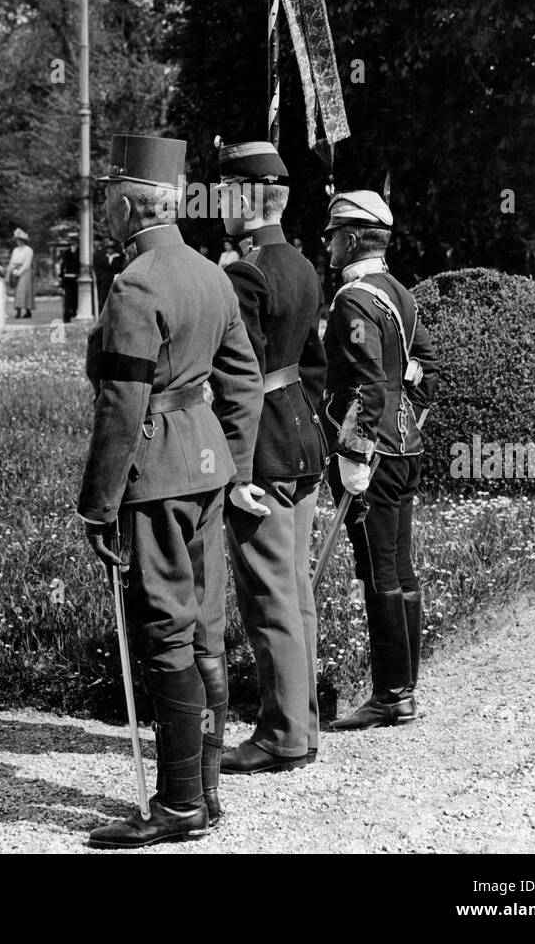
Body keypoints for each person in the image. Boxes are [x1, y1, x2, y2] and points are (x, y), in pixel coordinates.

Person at [79, 133, 262, 849]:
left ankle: (180, 804)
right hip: (208, 469)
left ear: (128, 204)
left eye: (107, 199)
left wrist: (97, 504)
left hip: (154, 478)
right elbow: (244, 381)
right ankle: (206, 792)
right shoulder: (214, 274)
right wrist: (234, 465)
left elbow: (121, 404)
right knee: (205, 630)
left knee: (164, 633)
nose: (103, 210)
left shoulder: (137, 283)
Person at [214, 139, 327, 774]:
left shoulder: (245, 274)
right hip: (302, 440)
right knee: (296, 591)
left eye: (225, 193)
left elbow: (241, 380)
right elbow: (314, 366)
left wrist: (237, 470)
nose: (218, 203)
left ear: (247, 197)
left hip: (262, 452)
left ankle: (281, 734)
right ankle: (301, 728)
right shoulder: (303, 265)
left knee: (269, 598)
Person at [320, 190, 438, 730]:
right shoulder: (400, 293)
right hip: (406, 447)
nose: (328, 245)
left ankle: (391, 695)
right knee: (401, 569)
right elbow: (427, 369)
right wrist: (405, 414)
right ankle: (403, 689)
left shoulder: (353, 300)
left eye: (332, 236)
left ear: (350, 240)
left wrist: (354, 452)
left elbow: (367, 384)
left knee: (379, 572)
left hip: (374, 457)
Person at [6, 228, 35, 319]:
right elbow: (12, 261)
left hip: (25, 271)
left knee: (25, 290)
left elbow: (27, 263)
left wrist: (20, 272)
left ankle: (28, 310)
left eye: (18, 240)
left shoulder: (28, 250)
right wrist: (10, 271)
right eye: (16, 240)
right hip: (16, 270)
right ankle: (18, 311)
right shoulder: (15, 250)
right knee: (17, 291)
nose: (17, 241)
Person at [59, 234, 79, 322]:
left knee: (75, 297)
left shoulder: (81, 252)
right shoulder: (66, 252)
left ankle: (73, 311)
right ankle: (67, 315)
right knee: (67, 298)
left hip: (77, 278)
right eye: (71, 240)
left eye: (74, 240)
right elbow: (63, 265)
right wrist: (61, 277)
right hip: (68, 278)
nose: (72, 242)